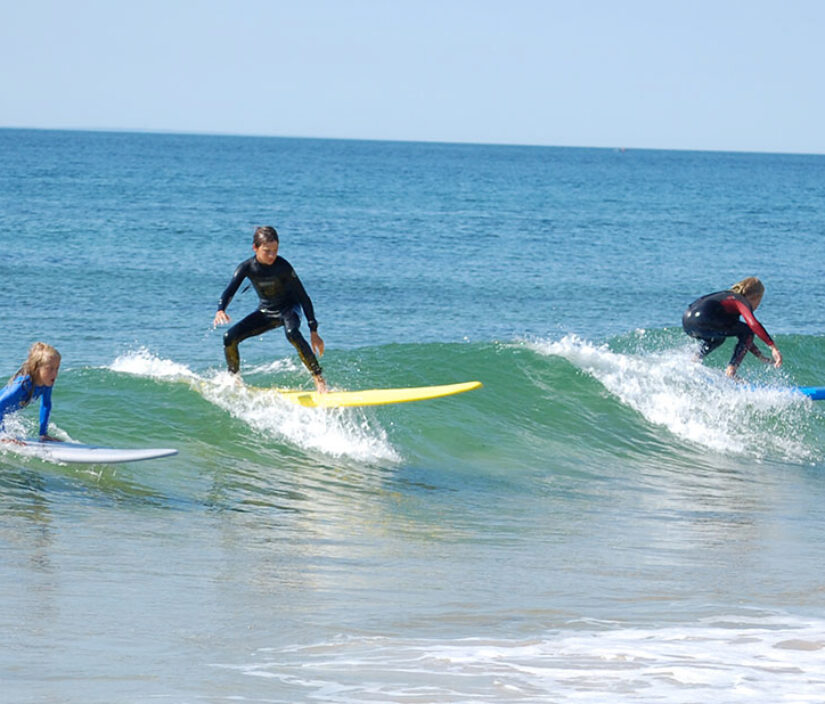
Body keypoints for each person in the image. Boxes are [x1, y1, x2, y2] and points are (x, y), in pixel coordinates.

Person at [213, 226, 327, 393]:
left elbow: (303, 297)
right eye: (267, 251)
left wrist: (313, 330)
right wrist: (220, 309)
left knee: (292, 334)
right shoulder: (246, 267)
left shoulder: (283, 267)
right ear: (255, 248)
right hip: (266, 312)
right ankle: (234, 379)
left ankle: (319, 379)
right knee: (229, 338)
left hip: (289, 309)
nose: (273, 255)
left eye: (275, 250)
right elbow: (230, 290)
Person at [682, 277, 783, 378]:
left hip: (687, 321)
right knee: (747, 330)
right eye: (759, 300)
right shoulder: (739, 300)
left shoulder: (726, 298)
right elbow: (753, 324)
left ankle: (694, 359)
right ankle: (731, 370)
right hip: (704, 319)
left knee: (719, 338)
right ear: (755, 297)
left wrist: (761, 357)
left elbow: (745, 339)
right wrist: (773, 347)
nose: (758, 305)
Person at [0, 342, 63, 442]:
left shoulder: (46, 384)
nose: (55, 373)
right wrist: (2, 435)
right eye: (49, 369)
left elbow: (46, 405)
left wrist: (43, 434)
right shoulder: (22, 385)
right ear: (37, 368)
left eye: (57, 368)